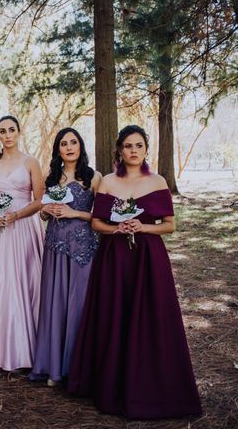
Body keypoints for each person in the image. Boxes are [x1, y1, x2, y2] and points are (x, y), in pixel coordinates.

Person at [68, 125, 202, 419]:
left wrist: (144, 227)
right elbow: (96, 224)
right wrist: (117, 228)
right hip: (114, 260)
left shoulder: (158, 181)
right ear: (119, 150)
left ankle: (149, 387)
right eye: (128, 146)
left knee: (150, 318)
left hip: (148, 260)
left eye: (138, 146)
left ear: (145, 149)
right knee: (114, 316)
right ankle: (112, 385)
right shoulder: (109, 182)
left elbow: (170, 224)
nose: (133, 151)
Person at [30, 128, 101, 385]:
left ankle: (78, 369)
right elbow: (42, 214)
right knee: (55, 303)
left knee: (79, 304)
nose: (69, 147)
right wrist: (46, 211)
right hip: (55, 247)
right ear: (58, 149)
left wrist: (75, 213)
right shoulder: (52, 178)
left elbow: (101, 217)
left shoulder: (94, 178)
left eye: (73, 142)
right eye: (63, 143)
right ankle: (54, 368)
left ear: (81, 146)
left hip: (83, 248)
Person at [0, 115, 45, 371]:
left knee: (23, 279)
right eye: (2, 131)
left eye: (11, 130)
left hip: (23, 226)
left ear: (19, 132)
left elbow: (39, 200)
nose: (7, 135)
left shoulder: (31, 162)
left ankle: (27, 349)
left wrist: (16, 215)